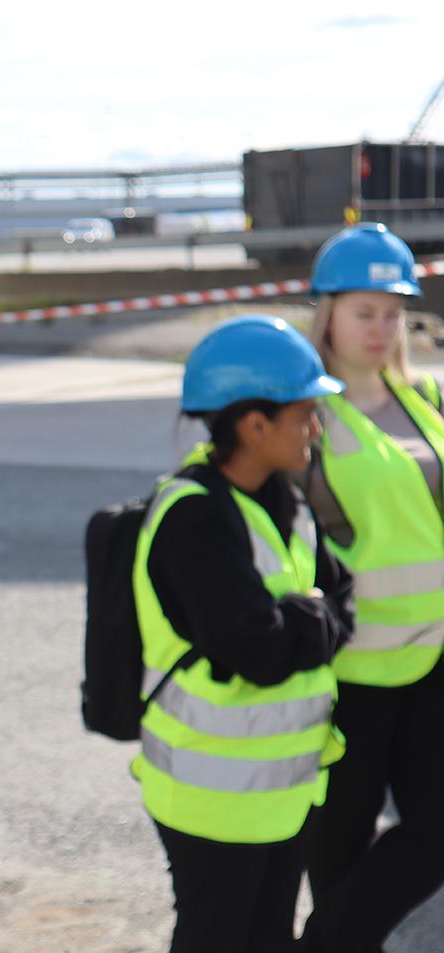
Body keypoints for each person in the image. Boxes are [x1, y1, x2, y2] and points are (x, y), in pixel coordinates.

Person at [132, 315, 352, 953]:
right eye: (305, 415)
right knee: (216, 938)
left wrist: (301, 618)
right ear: (255, 426)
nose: (316, 429)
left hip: (281, 791)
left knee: (268, 939)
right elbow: (257, 651)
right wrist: (313, 619)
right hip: (210, 800)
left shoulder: (288, 502)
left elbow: (343, 603)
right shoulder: (193, 518)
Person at [301, 222, 444, 953]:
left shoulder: (426, 399)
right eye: (364, 312)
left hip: (432, 659)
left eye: (393, 313)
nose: (381, 329)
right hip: (350, 670)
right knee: (338, 851)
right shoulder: (306, 414)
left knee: (434, 833)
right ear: (328, 315)